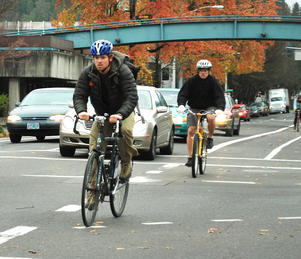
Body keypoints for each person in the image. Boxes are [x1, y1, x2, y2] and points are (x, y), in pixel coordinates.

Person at [73, 39, 139, 180]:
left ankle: (126, 162)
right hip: (102, 114)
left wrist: (120, 114)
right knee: (95, 147)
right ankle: (91, 189)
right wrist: (81, 111)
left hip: (123, 112)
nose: (99, 61)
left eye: (103, 57)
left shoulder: (123, 71)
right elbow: (79, 95)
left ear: (110, 58)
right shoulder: (87, 73)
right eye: (96, 58)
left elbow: (132, 96)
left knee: (125, 131)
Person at [177, 59, 225, 167]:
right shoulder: (192, 81)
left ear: (209, 71)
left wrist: (220, 108)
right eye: (201, 70)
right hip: (194, 107)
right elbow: (183, 94)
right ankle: (190, 157)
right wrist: (181, 105)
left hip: (209, 106)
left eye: (206, 70)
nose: (203, 72)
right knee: (191, 130)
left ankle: (210, 137)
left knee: (211, 117)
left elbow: (220, 96)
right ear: (198, 71)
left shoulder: (213, 81)